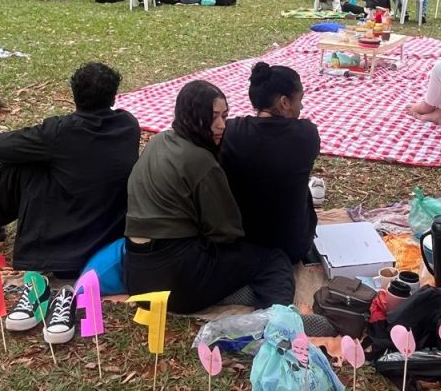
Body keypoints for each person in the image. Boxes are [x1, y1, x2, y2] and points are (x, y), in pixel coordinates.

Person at [0, 63, 140, 335]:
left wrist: (40, 141)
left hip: (61, 244)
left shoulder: (59, 132)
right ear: (113, 96)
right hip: (108, 235)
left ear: (74, 95)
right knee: (39, 162)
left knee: (21, 165)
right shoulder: (128, 125)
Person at [123, 80, 295, 313]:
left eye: (225, 116)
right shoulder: (201, 162)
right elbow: (226, 232)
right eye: (212, 117)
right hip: (174, 284)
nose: (221, 125)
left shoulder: (159, 141)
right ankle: (277, 320)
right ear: (192, 115)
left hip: (136, 276)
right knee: (273, 258)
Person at [221, 63, 320, 262]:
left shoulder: (231, 132)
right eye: (299, 100)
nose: (301, 107)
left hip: (242, 243)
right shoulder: (307, 135)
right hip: (292, 246)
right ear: (284, 102)